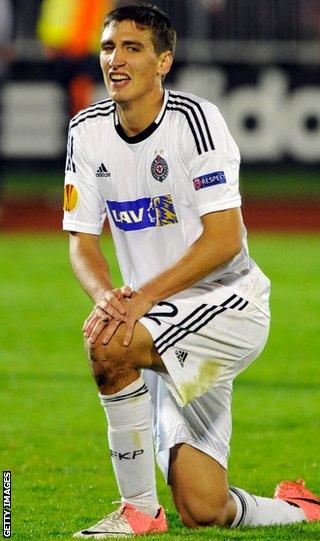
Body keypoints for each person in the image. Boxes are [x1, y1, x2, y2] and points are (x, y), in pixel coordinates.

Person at [62, 3, 320, 537]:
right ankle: (300, 509)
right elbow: (81, 241)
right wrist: (110, 297)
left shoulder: (194, 122)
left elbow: (224, 239)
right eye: (109, 46)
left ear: (163, 62)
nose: (116, 59)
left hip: (229, 306)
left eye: (133, 47)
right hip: (165, 319)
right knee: (204, 508)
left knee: (110, 345)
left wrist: (138, 300)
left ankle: (138, 511)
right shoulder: (87, 131)